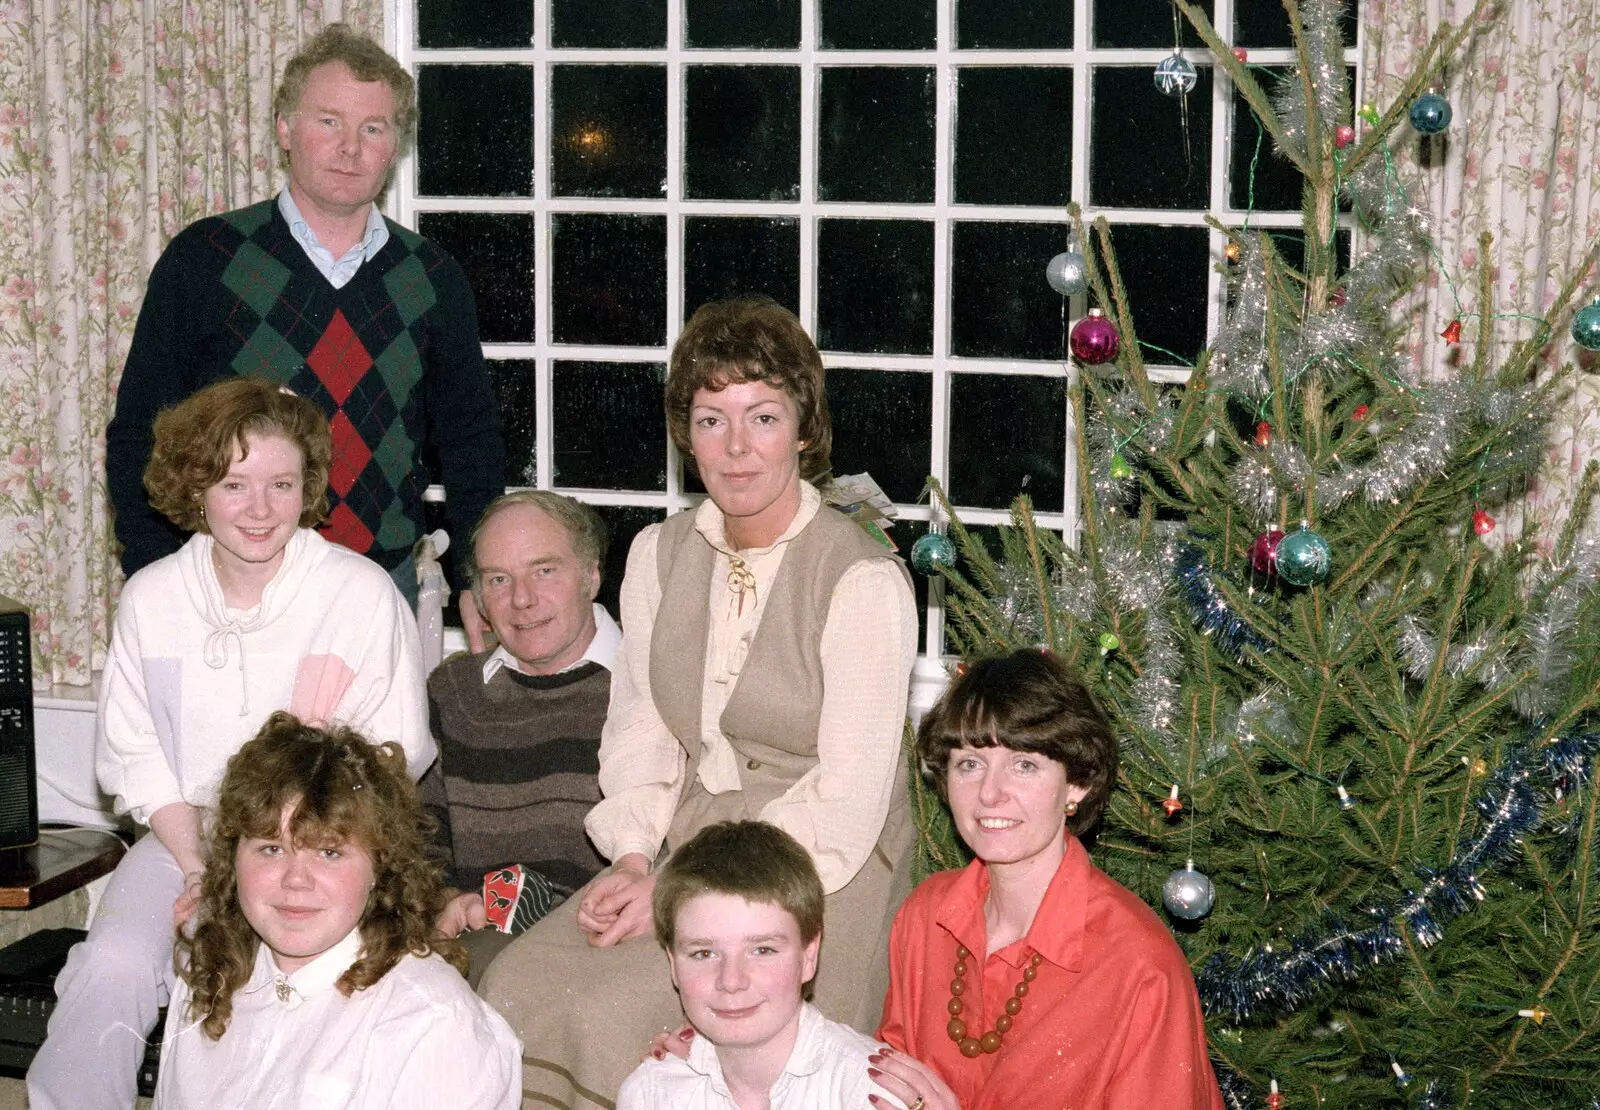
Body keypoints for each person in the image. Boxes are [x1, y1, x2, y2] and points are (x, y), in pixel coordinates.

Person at [480, 296, 920, 1107]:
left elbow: (849, 802)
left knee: (612, 1017)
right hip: (682, 843)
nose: (738, 447)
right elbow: (643, 730)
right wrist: (636, 857)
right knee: (515, 984)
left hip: (813, 869)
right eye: (712, 420)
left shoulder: (861, 577)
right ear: (686, 434)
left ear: (804, 427)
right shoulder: (657, 553)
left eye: (763, 416)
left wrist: (679, 888)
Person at [27, 377, 433, 1110]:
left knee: (257, 990)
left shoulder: (359, 593)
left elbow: (390, 755)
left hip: (322, 845)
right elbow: (136, 755)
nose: (259, 509)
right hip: (189, 837)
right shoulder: (152, 597)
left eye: (281, 484)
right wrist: (200, 869)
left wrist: (272, 861)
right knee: (111, 965)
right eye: (235, 484)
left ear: (307, 487)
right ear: (196, 486)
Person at [104, 21, 504, 622]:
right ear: (285, 129)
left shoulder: (433, 278)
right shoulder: (206, 259)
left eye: (373, 128)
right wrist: (157, 574)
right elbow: (141, 431)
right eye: (329, 122)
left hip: (379, 591)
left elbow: (471, 444)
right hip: (227, 591)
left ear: (394, 147)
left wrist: (477, 576)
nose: (351, 148)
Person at [869, 650, 1224, 1110]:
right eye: (970, 764)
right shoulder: (925, 917)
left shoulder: (1138, 966)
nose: (990, 794)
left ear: (1075, 784)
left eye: (1024, 765)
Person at [154, 711, 521, 1109]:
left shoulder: (431, 1024)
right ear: (232, 860)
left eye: (329, 852)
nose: (296, 879)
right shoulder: (207, 972)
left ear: (379, 868)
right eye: (271, 849)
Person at [424, 490, 621, 983]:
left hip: (598, 952)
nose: (522, 599)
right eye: (498, 579)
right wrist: (448, 900)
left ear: (592, 576)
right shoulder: (455, 693)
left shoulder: (649, 689)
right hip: (469, 941)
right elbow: (417, 833)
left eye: (544, 570)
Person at [617, 821, 893, 1110]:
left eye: (762, 950)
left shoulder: (870, 1090)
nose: (731, 981)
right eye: (703, 953)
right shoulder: (651, 1094)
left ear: (808, 956)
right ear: (673, 964)